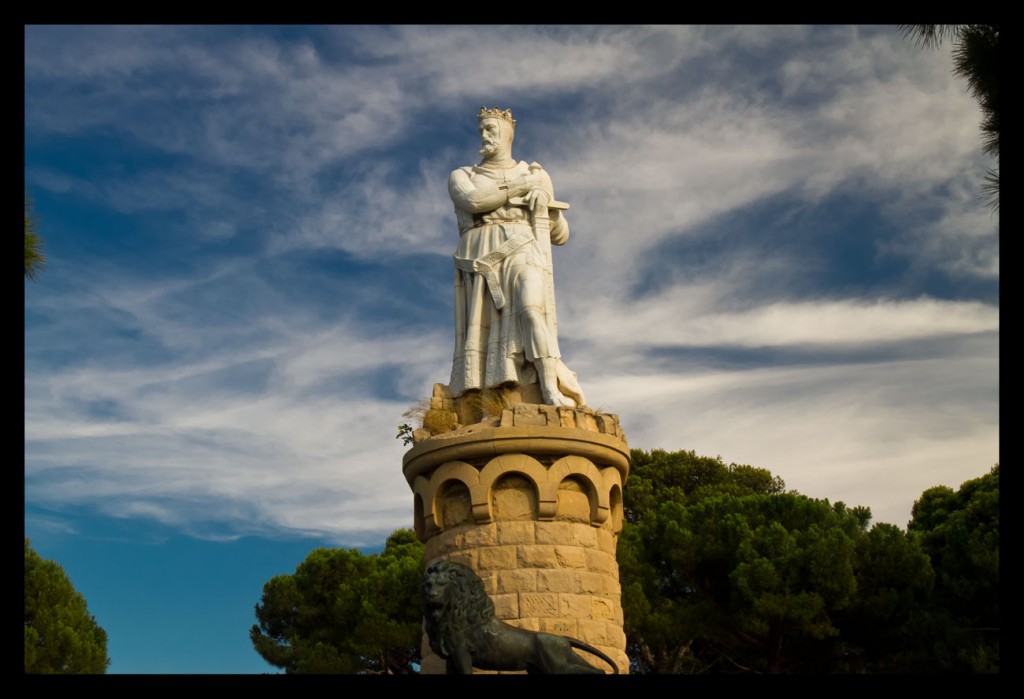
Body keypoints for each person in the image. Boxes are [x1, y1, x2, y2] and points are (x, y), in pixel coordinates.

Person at [447, 107, 585, 408]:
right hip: (482, 256)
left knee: (532, 310)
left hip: (523, 247)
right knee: (487, 333)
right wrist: (522, 186)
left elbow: (560, 235)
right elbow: (474, 200)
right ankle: (492, 396)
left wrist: (546, 207)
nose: (484, 135)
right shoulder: (463, 175)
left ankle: (549, 387)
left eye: (490, 129)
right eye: (481, 130)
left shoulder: (537, 175)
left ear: (507, 134)